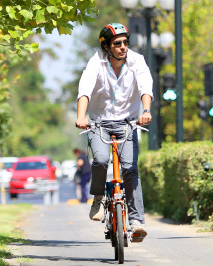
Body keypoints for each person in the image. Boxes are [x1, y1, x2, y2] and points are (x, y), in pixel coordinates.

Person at [75, 23, 153, 241]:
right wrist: (82, 117)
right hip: (99, 123)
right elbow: (85, 90)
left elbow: (146, 85)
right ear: (106, 46)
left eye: (125, 42)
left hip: (128, 123)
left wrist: (145, 110)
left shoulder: (137, 61)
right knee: (100, 160)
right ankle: (99, 197)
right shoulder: (96, 63)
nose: (123, 47)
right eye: (117, 43)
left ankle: (136, 221)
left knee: (130, 168)